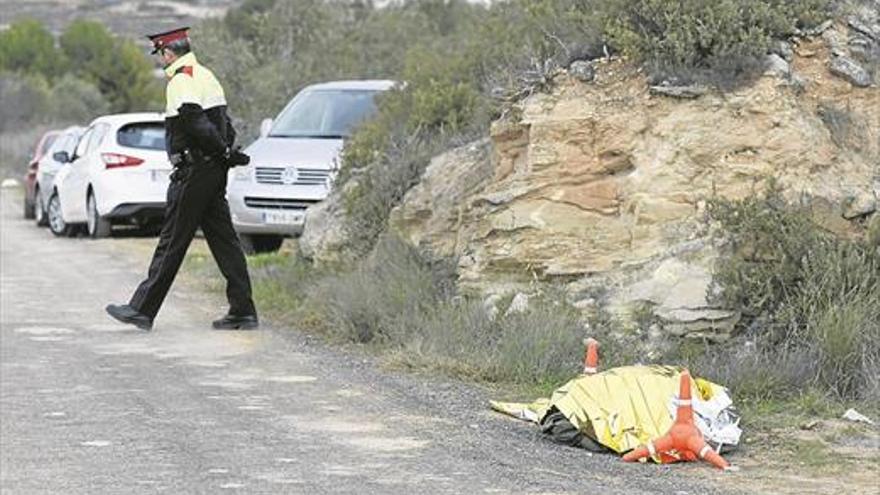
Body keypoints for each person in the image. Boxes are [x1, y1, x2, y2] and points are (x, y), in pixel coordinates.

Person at [106, 27, 258, 331]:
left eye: (161, 55)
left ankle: (142, 309)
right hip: (212, 172)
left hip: (195, 172)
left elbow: (194, 121)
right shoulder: (205, 74)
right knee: (225, 242)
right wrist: (226, 153)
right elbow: (224, 122)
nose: (162, 61)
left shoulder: (181, 78)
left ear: (167, 52)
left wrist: (222, 151)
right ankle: (242, 310)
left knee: (172, 241)